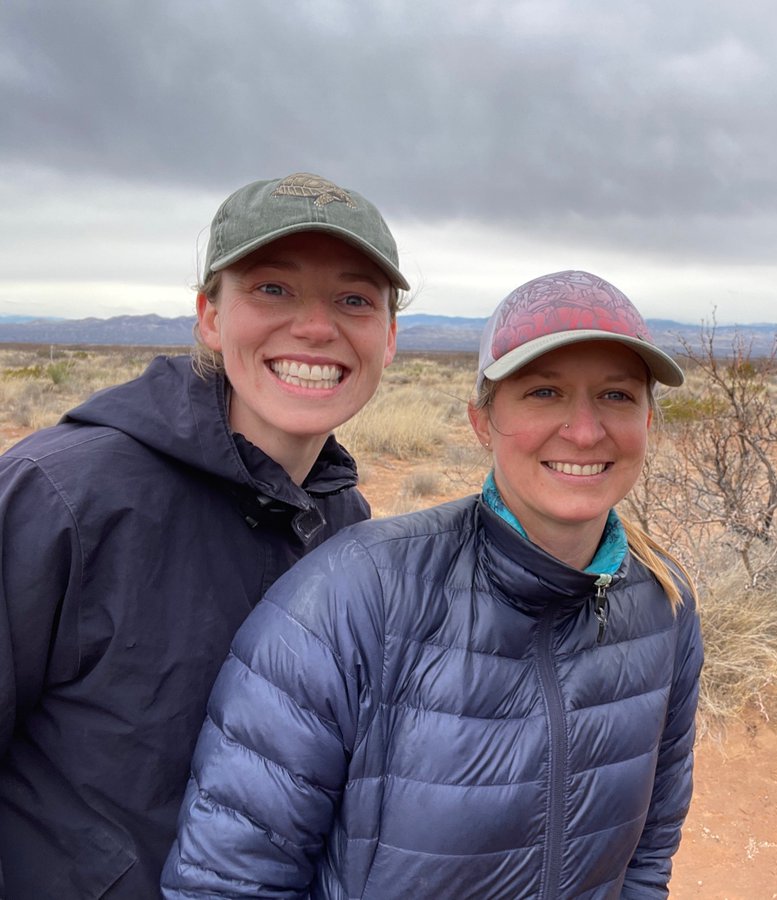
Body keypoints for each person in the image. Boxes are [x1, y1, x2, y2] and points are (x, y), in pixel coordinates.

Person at [161, 270, 704, 898]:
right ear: (482, 420)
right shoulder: (353, 597)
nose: (584, 432)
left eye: (616, 396)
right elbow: (230, 880)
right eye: (544, 393)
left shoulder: (664, 605)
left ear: (648, 420)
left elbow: (648, 850)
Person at [0, 172, 407, 898]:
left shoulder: (345, 529)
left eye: (353, 299)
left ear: (390, 336)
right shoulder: (62, 498)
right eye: (272, 289)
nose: (316, 328)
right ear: (210, 317)